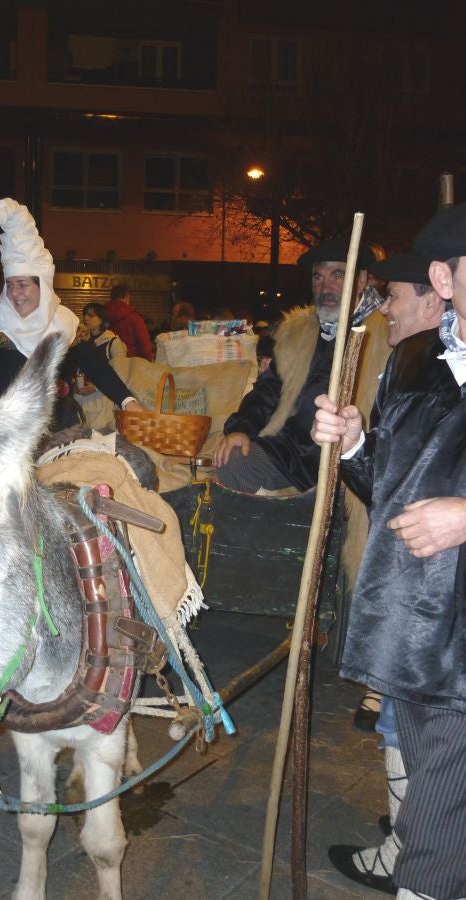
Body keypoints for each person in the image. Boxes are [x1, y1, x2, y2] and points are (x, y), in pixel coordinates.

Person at [312, 204, 466, 900]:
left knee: (433, 841)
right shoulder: (422, 365)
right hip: (415, 632)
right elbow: (393, 492)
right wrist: (352, 444)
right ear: (445, 277)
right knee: (436, 825)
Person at [213, 237, 378, 494]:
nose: (326, 287)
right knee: (231, 460)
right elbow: (268, 391)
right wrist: (240, 429)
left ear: (361, 280)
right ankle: (272, 525)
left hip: (345, 457)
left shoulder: (380, 334)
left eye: (337, 276)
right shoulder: (298, 333)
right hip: (289, 451)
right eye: (318, 278)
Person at [0, 199, 144, 430]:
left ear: (42, 287)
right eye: (9, 285)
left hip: (56, 428)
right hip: (5, 433)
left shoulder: (63, 323)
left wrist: (127, 401)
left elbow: (97, 367)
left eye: (22, 285)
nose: (15, 294)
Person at [104, 282, 153, 360]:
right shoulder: (134, 316)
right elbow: (144, 343)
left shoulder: (100, 314)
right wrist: (148, 360)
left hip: (107, 361)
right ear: (126, 298)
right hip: (130, 364)